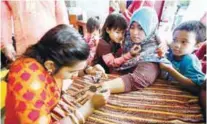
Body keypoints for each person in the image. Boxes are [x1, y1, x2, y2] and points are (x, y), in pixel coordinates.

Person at [5, 24, 109, 124]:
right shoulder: (29, 81)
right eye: (72, 72)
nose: (75, 75)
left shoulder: (46, 58)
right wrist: (91, 106)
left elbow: (68, 68)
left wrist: (87, 70)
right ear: (50, 65)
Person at [99, 7, 170, 93]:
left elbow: (139, 79)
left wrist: (103, 87)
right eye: (132, 27)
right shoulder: (128, 39)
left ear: (150, 28)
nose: (135, 32)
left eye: (141, 28)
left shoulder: (153, 54)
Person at [1, 0, 69, 61]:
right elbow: (3, 19)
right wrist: (6, 44)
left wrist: (66, 43)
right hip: (25, 48)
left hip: (52, 44)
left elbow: (62, 16)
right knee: (29, 73)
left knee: (51, 72)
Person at [159, 21, 206, 93]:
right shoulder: (172, 52)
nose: (176, 45)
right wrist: (163, 44)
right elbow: (163, 38)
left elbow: (196, 87)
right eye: (175, 40)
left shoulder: (190, 60)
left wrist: (170, 70)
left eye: (184, 42)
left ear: (197, 45)